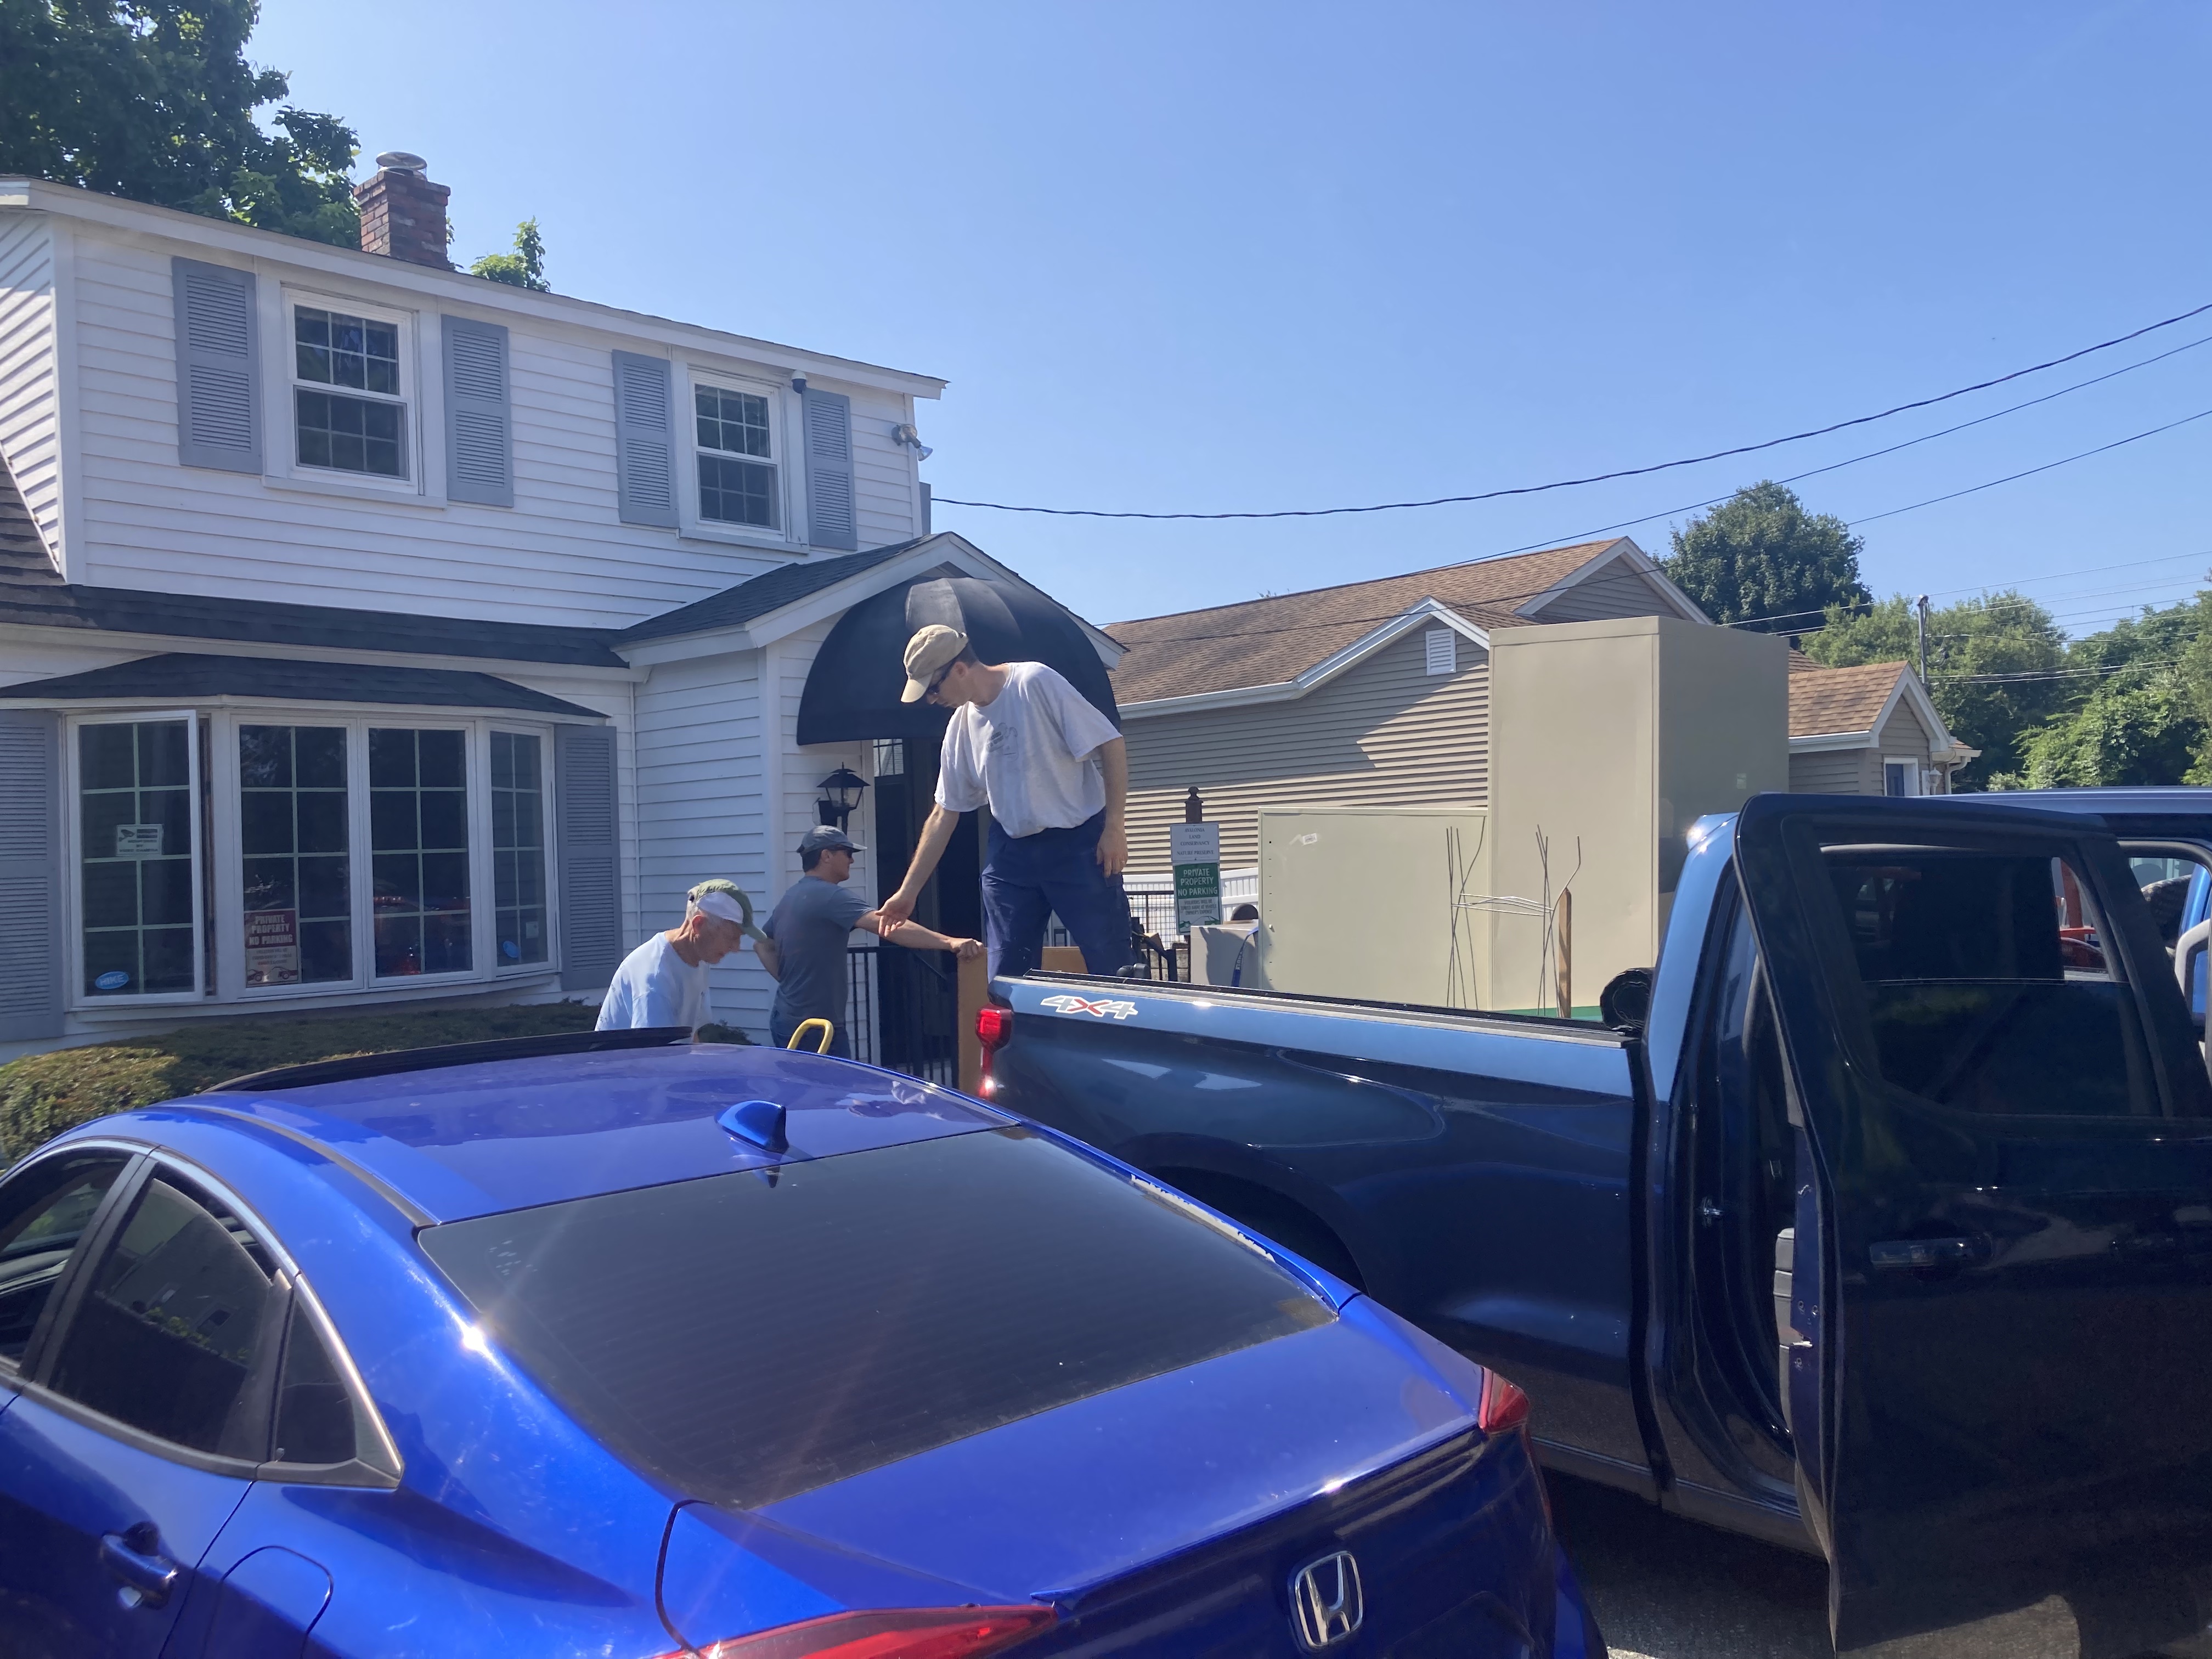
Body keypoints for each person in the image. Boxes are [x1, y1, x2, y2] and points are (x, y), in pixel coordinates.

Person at [878, 624, 1131, 980]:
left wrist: (1114, 828)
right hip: (1011, 852)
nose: (932, 700)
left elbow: (1110, 743)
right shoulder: (961, 727)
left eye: (933, 689)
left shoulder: (1034, 683)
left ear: (959, 669)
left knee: (1113, 965)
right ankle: (1011, 1018)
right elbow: (943, 814)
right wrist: (908, 893)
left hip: (1078, 843)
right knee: (1006, 975)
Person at [755, 824, 982, 1057]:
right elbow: (888, 926)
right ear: (826, 856)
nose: (852, 860)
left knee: (801, 1081)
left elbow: (762, 944)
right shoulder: (830, 896)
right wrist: (949, 943)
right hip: (814, 1027)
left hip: (787, 1019)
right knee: (835, 1082)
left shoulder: (792, 895)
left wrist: (788, 981)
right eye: (847, 853)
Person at [596, 880, 751, 1034]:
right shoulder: (656, 978)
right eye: (731, 937)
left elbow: (690, 1035)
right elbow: (653, 1048)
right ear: (699, 925)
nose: (736, 948)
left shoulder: (700, 957)